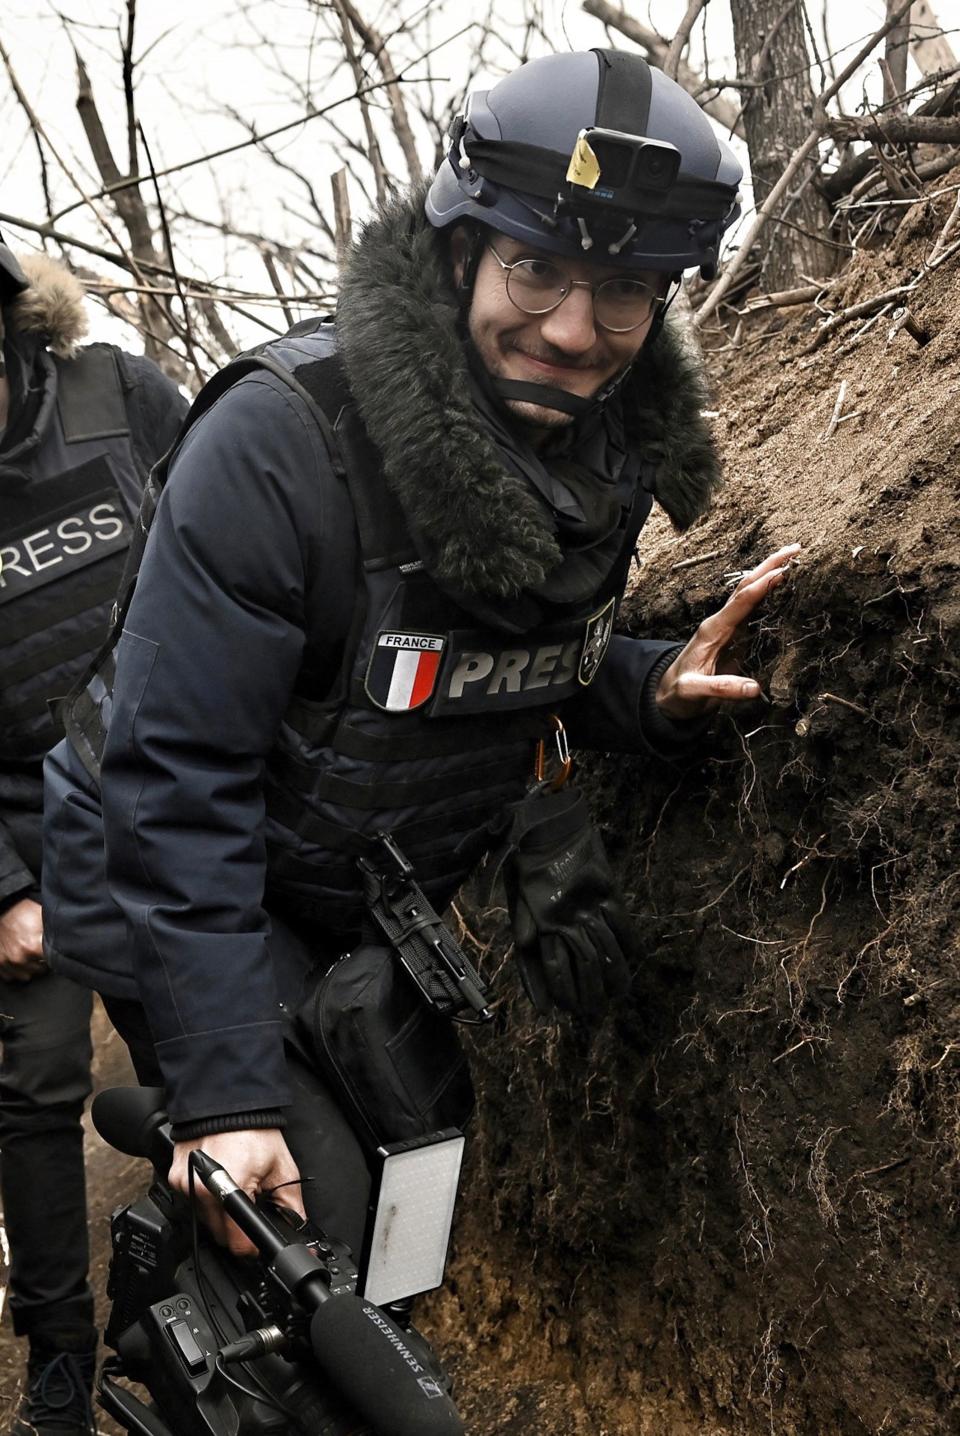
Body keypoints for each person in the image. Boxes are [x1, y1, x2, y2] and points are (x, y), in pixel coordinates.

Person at [43, 49, 795, 1291]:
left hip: (346, 854)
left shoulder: (601, 444)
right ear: (461, 253)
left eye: (621, 290)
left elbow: (475, 663)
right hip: (168, 857)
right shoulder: (280, 443)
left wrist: (644, 686)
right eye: (538, 269)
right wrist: (226, 1092)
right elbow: (173, 785)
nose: (571, 328)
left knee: (416, 1170)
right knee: (298, 1215)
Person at [0, 233, 187, 1435]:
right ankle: (61, 1344)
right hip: (26, 827)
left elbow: (238, 566)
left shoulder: (122, 398)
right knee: (31, 1088)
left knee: (217, 1061)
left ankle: (189, 1306)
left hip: (180, 795)